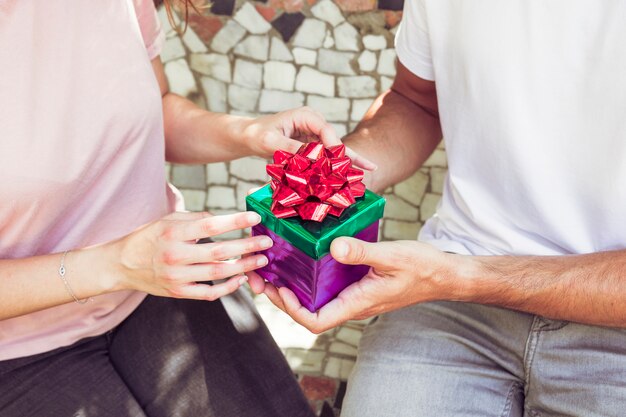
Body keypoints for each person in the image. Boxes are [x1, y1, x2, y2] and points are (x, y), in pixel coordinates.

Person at [249, 1, 626, 416]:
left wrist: (455, 277)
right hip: (451, 299)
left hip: (609, 326)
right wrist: (338, 176)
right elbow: (417, 100)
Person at [0, 1, 373, 416]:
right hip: (18, 350)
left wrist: (250, 133)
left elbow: (156, 106)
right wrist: (117, 263)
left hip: (161, 283)